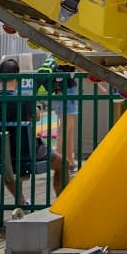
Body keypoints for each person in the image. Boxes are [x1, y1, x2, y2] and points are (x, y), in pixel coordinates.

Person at [0, 58, 37, 218]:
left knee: (8, 170)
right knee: (61, 162)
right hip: (25, 151)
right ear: (17, 76)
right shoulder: (23, 97)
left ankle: (22, 201)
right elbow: (35, 117)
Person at [38, 55, 81, 194]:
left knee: (69, 129)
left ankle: (70, 161)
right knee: (65, 130)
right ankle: (61, 163)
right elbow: (80, 65)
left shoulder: (56, 51)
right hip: (67, 89)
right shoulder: (69, 52)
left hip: (59, 89)